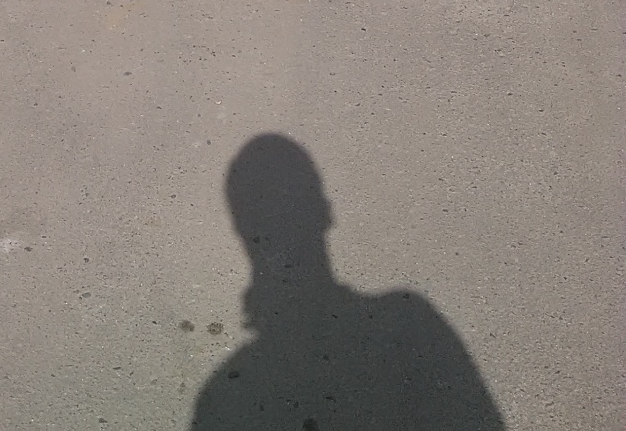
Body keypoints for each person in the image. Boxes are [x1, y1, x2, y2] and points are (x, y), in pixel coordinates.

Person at [191, 134, 505, 430]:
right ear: (325, 212)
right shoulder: (408, 326)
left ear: (243, 235)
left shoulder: (222, 398)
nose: (279, 229)